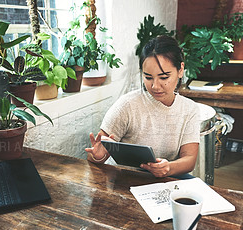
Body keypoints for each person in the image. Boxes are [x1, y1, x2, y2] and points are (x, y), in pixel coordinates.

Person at [85, 35, 200, 179]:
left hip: (166, 177)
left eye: (164, 77)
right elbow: (95, 155)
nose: (155, 86)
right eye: (148, 77)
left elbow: (189, 160)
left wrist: (168, 168)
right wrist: (98, 156)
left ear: (180, 70)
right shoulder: (127, 105)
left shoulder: (190, 109)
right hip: (124, 177)